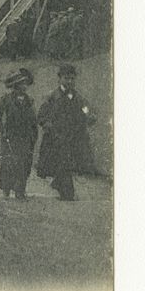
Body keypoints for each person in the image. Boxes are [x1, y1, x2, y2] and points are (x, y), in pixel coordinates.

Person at [36, 64, 97, 201]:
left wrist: (89, 116)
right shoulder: (52, 96)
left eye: (72, 78)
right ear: (60, 79)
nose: (69, 81)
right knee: (62, 163)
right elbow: (41, 115)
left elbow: (85, 109)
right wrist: (47, 124)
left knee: (67, 163)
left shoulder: (77, 97)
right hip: (56, 137)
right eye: (66, 78)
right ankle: (67, 192)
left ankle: (60, 185)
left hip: (73, 137)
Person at [0, 68, 38, 200]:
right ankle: (6, 189)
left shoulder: (29, 100)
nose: (24, 86)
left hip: (25, 136)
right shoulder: (6, 99)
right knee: (9, 163)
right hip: (10, 136)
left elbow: (33, 120)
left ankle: (20, 191)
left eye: (26, 83)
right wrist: (3, 131)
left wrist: (33, 136)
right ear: (16, 85)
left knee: (24, 163)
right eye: (22, 83)